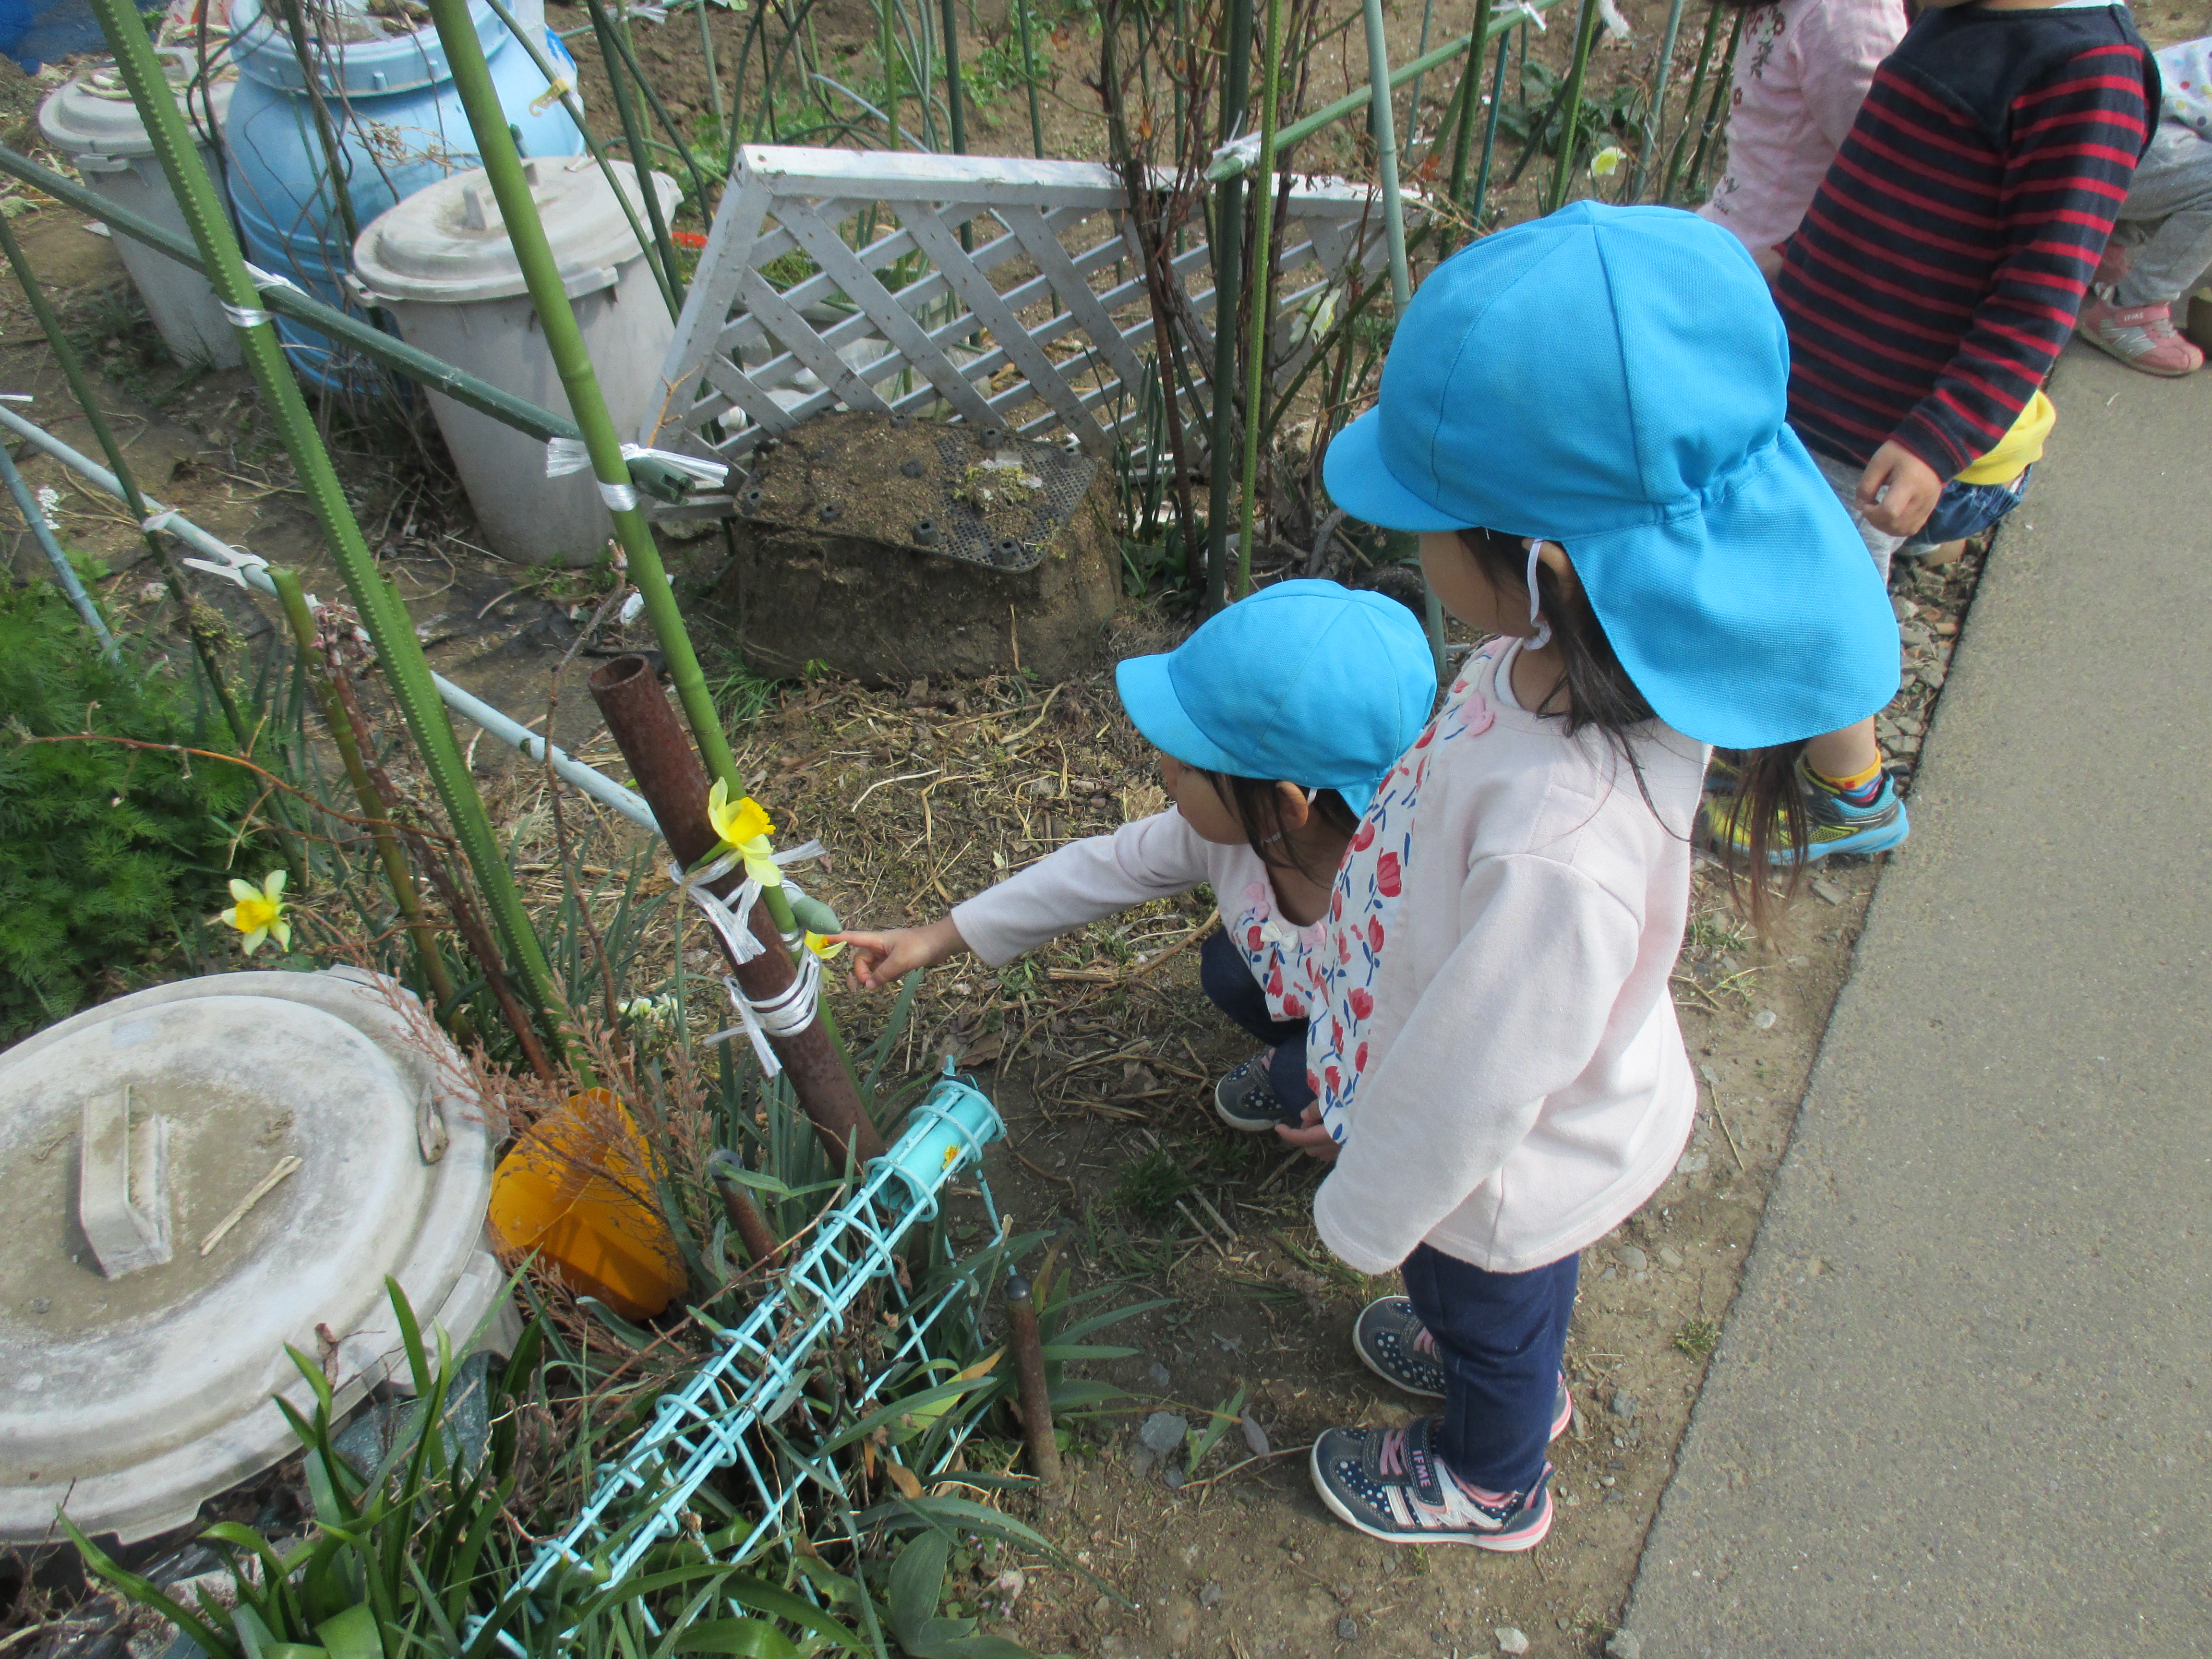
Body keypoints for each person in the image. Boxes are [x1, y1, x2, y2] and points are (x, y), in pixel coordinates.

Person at [1293, 203, 1899, 1550]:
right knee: (1484, 1302)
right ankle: (1483, 1355)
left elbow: (1477, 1076)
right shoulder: (1580, 662)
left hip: (1508, 1160)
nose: (1411, 550)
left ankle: (1496, 1476)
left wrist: (1368, 1198)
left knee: (1500, 1305)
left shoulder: (1565, 838)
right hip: (1511, 1115)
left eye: (1428, 522)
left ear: (1542, 565)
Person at [1722, 0, 2158, 861]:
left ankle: (1851, 795)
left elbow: (2039, 295)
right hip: (1814, 369)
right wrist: (1794, 263)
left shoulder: (2089, 77)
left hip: (1878, 415)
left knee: (1825, 597)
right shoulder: (1958, 17)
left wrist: (1937, 438)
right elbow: (1877, 187)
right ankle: (1786, 744)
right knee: (1784, 569)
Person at [831, 579, 1435, 1134]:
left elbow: (1458, 1040)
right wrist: (938, 938)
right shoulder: (1228, 835)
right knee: (1227, 968)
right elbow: (1099, 871)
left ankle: (1317, 1083)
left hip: (1403, 1042)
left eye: (1187, 762)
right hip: (1318, 983)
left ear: (1282, 808)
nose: (1164, 772)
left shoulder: (1417, 894)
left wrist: (1364, 1123)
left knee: (1314, 1088)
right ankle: (1307, 1049)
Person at [1698, 0, 1907, 279]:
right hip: (1739, 250)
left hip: (1783, 273)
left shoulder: (1846, 17)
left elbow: (1891, 172)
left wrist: (1790, 260)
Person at [2080, 36, 2212, 375]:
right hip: (2111, 142)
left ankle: (2101, 243)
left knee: (2193, 171)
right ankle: (2132, 312)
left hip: (2112, 127)